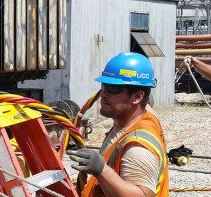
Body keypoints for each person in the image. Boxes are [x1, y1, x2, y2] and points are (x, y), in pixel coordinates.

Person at [68, 52, 169, 197]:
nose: (103, 94)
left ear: (138, 97)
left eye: (114, 88)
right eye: (104, 86)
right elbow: (148, 103)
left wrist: (101, 170)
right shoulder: (142, 116)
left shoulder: (137, 148)